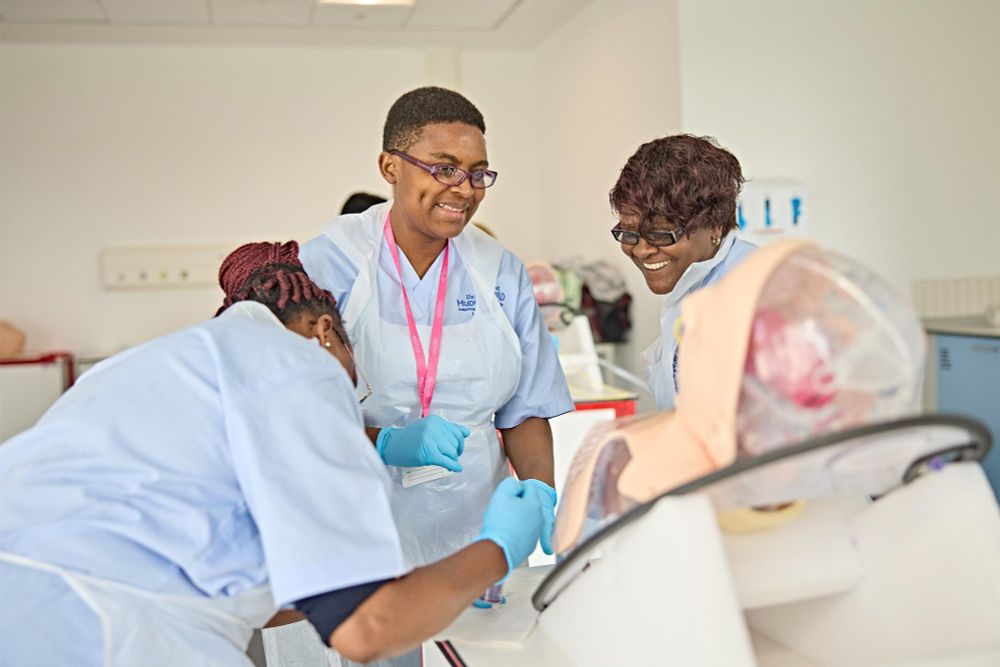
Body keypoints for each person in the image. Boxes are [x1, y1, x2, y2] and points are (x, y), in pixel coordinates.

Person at [0, 241, 547, 666]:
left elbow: (260, 585)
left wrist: (415, 580)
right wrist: (497, 548)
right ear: (326, 331)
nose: (353, 403)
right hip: (100, 626)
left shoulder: (169, 362)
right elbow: (367, 630)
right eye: (356, 389)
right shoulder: (298, 366)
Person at [300, 86, 572, 584]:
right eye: (443, 168)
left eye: (477, 173)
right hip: (356, 527)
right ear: (390, 167)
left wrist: (538, 492)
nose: (464, 188)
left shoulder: (500, 272)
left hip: (474, 530)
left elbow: (525, 409)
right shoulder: (329, 264)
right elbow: (290, 418)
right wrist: (384, 444)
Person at [608, 134, 758, 410]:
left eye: (660, 235)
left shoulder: (758, 294)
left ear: (715, 226)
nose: (642, 250)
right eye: (629, 233)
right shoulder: (694, 284)